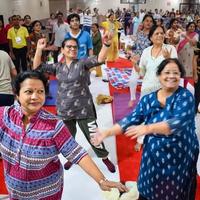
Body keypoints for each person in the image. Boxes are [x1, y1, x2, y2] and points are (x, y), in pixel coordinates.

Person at [0, 70, 127, 199]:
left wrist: (101, 180)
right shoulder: (4, 116)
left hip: (46, 194)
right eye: (29, 91)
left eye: (40, 91)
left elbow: (77, 153)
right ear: (17, 95)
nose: (35, 96)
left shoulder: (54, 125)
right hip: (14, 192)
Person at [91, 58, 199, 200]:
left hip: (180, 159)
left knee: (177, 193)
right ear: (159, 75)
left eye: (176, 73)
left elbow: (176, 123)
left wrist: (147, 128)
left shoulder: (185, 96)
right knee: (148, 191)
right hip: (153, 158)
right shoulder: (148, 100)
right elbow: (131, 119)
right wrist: (107, 132)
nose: (171, 76)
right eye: (167, 72)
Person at [33, 33, 116, 173]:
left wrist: (106, 44)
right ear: (63, 50)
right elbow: (37, 68)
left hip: (84, 109)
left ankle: (105, 157)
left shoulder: (83, 63)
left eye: (75, 47)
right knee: (68, 139)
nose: (72, 49)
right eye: (69, 47)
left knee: (94, 136)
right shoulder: (57, 67)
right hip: (64, 110)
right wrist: (39, 49)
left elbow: (100, 58)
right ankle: (72, 158)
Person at [130, 25, 177, 151]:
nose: (160, 36)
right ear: (151, 37)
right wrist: (135, 64)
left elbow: (175, 70)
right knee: (144, 114)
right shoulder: (146, 51)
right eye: (157, 34)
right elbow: (142, 73)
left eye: (162, 33)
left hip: (164, 89)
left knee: (163, 115)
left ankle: (161, 140)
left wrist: (168, 59)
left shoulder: (170, 49)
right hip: (147, 88)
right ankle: (141, 139)